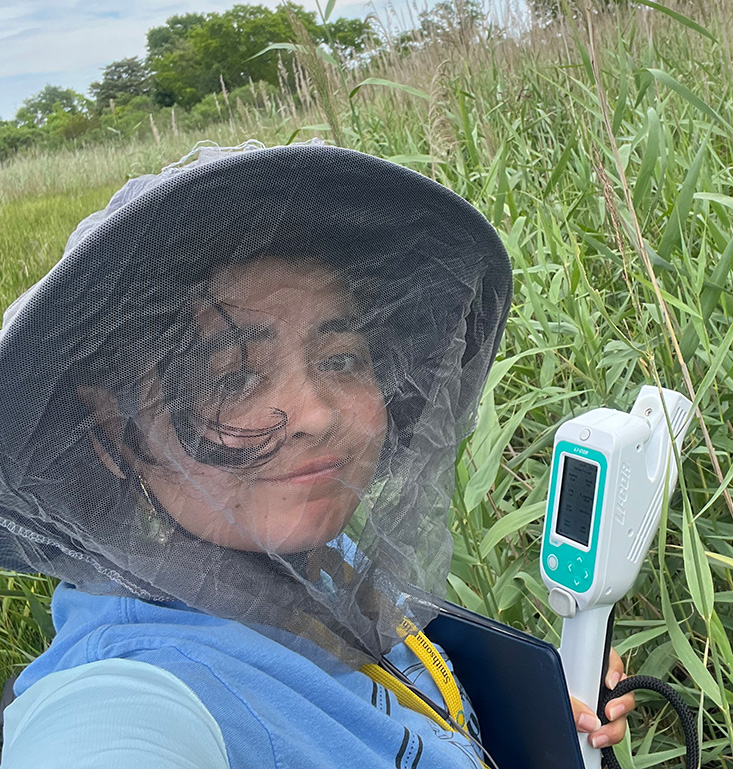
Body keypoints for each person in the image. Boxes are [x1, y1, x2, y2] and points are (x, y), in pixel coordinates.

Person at [0, 141, 634, 767]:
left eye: (340, 359)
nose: (317, 414)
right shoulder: (137, 684)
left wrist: (550, 707)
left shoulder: (325, 566)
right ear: (114, 438)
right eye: (232, 378)